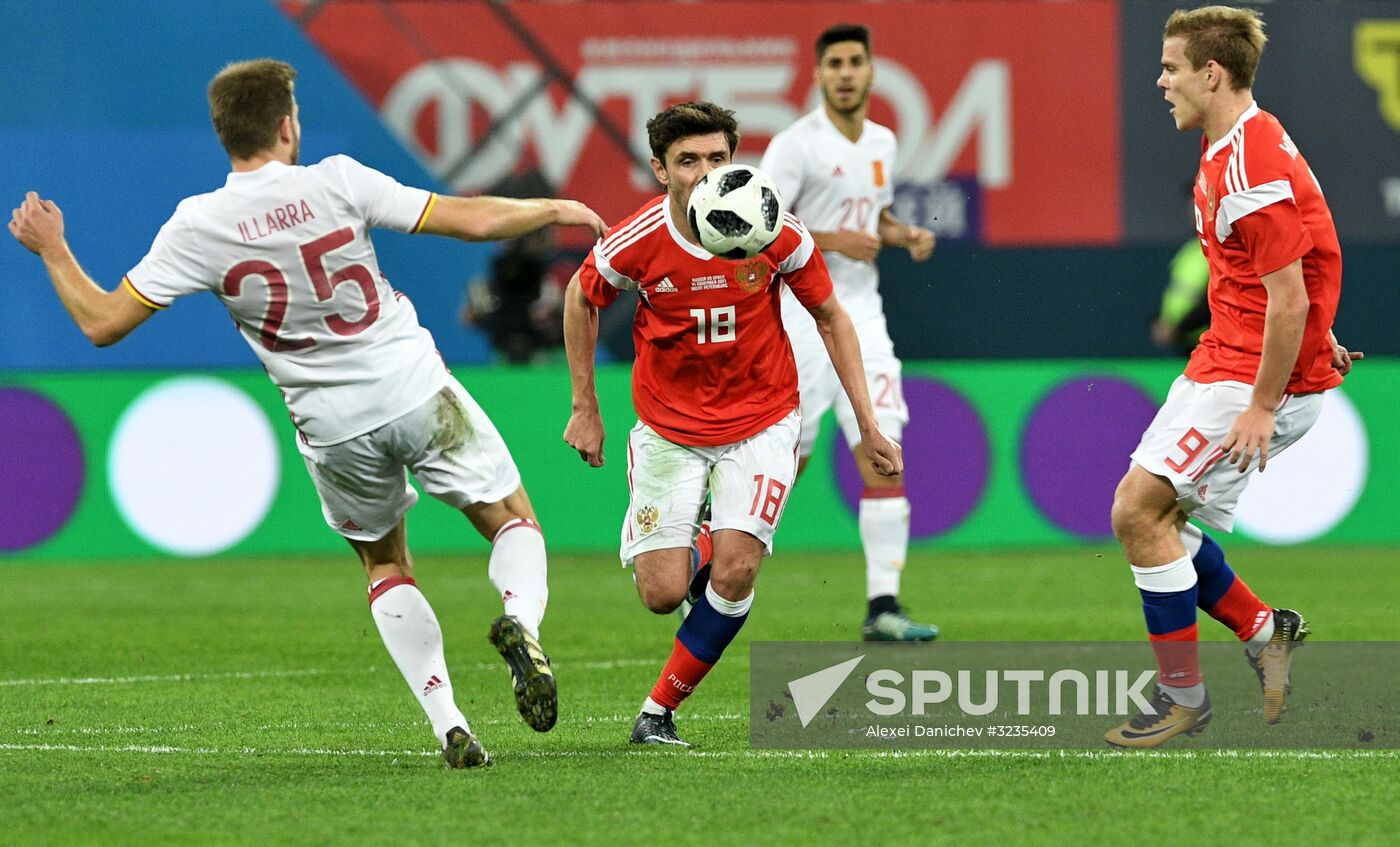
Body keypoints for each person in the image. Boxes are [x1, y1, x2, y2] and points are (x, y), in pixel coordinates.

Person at [8, 58, 608, 768]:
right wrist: (552, 209)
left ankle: (449, 722)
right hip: (414, 389)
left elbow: (103, 322)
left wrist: (53, 249)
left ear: (225, 134)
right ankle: (519, 622)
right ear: (287, 124)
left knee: (385, 562)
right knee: (510, 519)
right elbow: (470, 219)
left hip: (331, 427)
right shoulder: (337, 181)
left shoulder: (198, 225)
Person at [561, 101, 902, 747]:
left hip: (762, 420)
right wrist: (585, 406)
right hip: (669, 429)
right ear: (661, 170)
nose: (705, 172)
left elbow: (832, 316)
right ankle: (699, 549)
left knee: (738, 570)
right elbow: (581, 296)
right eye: (688, 161)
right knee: (662, 594)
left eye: (717, 157)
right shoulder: (638, 240)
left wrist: (869, 421)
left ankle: (658, 711)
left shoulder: (775, 228)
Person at [1105, 7, 1363, 749]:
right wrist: (1322, 335)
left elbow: (1289, 296)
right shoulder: (1238, 142)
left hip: (1250, 380)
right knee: (1157, 520)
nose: (1161, 82)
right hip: (1225, 358)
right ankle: (1263, 629)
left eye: (1171, 68)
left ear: (1211, 73)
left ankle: (1183, 698)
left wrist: (1263, 404)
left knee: (1138, 514)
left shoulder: (1249, 164)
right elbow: (1302, 254)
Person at [759, 23, 939, 641]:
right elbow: (758, 226)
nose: (844, 73)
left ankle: (882, 605)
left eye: (854, 62)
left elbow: (873, 216)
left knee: (884, 452)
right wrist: (835, 241)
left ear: (870, 72)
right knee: (787, 460)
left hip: (863, 314)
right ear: (818, 74)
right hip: (801, 315)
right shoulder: (794, 146)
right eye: (833, 63)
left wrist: (901, 234)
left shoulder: (883, 141)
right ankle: (708, 569)